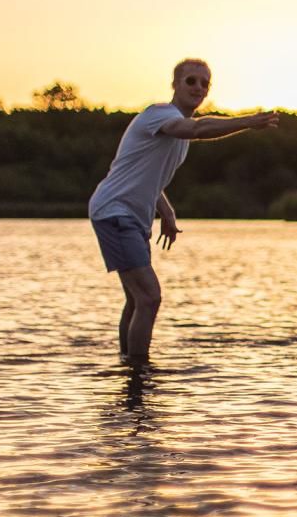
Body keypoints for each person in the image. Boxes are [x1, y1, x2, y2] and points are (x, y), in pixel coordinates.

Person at [89, 58, 278, 362]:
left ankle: (127, 367)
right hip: (115, 212)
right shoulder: (160, 114)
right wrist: (246, 121)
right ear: (175, 85)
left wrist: (166, 210)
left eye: (205, 83)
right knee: (149, 297)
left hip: (132, 217)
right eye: (191, 81)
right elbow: (198, 129)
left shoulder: (178, 135)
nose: (198, 88)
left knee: (136, 299)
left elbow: (147, 175)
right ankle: (138, 376)